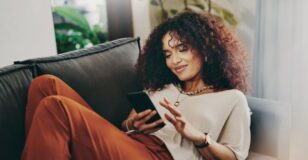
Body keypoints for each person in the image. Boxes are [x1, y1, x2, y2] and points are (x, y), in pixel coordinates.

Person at [22, 11, 250, 160]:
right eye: (167, 54)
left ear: (205, 49)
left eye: (182, 49)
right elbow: (127, 127)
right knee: (44, 84)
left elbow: (234, 156)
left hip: (161, 157)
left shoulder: (231, 98)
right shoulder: (164, 86)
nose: (174, 61)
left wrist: (198, 136)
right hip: (131, 144)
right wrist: (131, 124)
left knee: (56, 107)